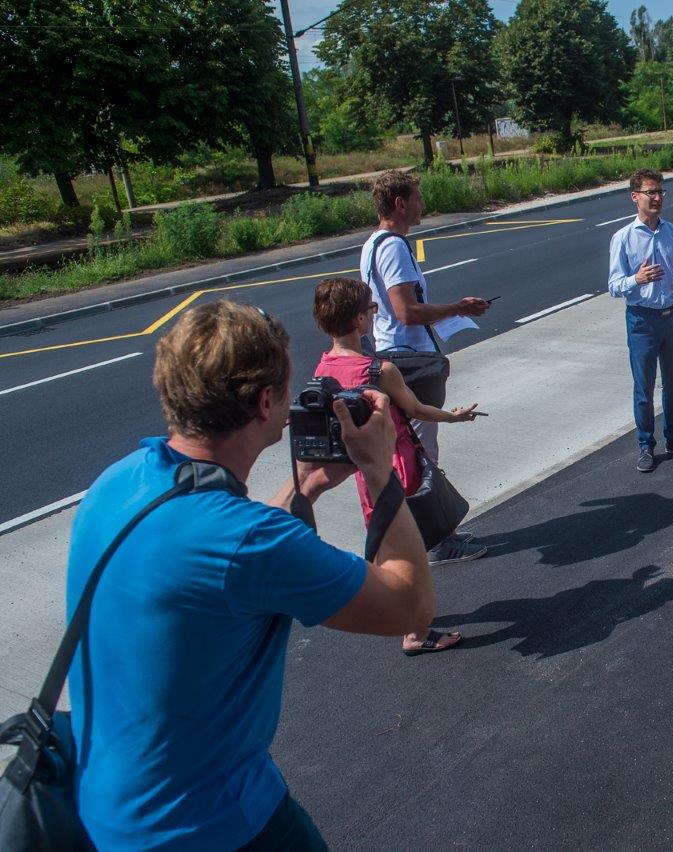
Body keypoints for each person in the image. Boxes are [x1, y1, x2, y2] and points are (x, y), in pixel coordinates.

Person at [66, 300, 441, 849]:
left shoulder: (117, 483)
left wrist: (308, 487)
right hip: (214, 823)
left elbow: (215, 550)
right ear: (267, 402)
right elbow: (410, 606)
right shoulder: (251, 542)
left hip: (105, 810)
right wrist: (380, 473)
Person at [312, 276, 480, 655]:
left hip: (364, 470)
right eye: (371, 309)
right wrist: (455, 417)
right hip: (399, 463)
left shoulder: (323, 369)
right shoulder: (379, 371)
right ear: (358, 320)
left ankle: (406, 619)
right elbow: (417, 409)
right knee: (411, 554)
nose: (375, 313)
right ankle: (416, 632)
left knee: (390, 548)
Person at [363, 169, 489, 563]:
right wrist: (457, 308)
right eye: (417, 197)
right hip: (409, 360)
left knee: (416, 449)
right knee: (422, 453)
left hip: (396, 356)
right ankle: (435, 542)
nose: (422, 204)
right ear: (400, 203)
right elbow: (405, 311)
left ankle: (437, 531)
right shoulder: (394, 247)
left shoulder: (373, 243)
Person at [608, 167, 673, 473]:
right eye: (650, 192)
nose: (657, 198)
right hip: (641, 320)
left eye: (660, 192)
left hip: (671, 317)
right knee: (644, 388)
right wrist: (636, 279)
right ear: (634, 197)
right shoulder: (623, 238)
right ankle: (645, 445)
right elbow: (613, 286)